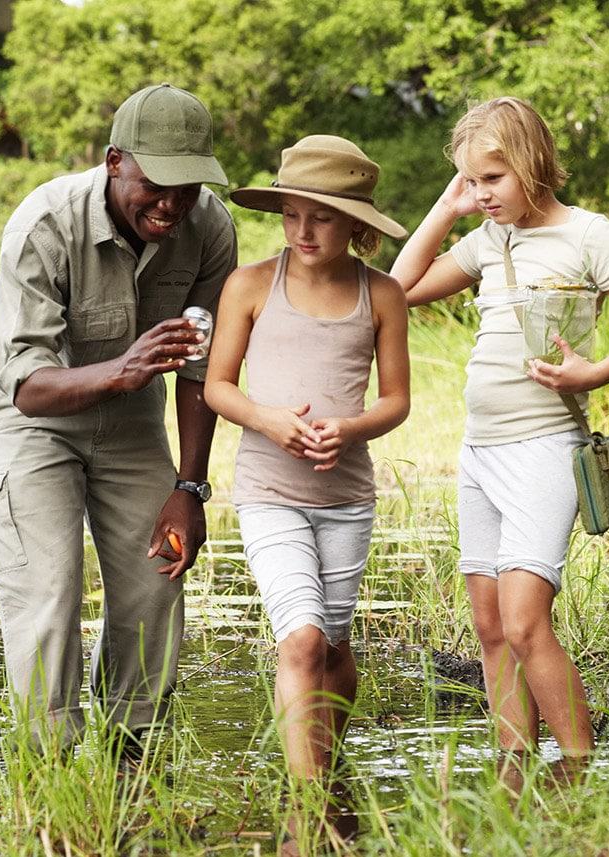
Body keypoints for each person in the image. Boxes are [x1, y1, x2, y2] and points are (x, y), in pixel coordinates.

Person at [390, 97, 609, 780]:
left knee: (523, 621)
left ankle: (576, 772)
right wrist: (446, 207)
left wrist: (593, 370)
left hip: (546, 447)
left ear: (531, 163)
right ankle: (514, 770)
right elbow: (397, 289)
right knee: (490, 628)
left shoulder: (589, 235)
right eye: (469, 180)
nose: (480, 193)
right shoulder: (489, 238)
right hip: (478, 453)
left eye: (492, 178)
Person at [0, 83, 237, 753]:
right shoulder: (45, 224)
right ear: (115, 160)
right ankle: (48, 759)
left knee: (158, 576)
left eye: (188, 186)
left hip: (132, 416)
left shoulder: (209, 227)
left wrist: (189, 488)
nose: (172, 204)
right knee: (50, 591)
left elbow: (201, 372)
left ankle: (133, 750)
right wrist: (121, 368)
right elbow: (29, 386)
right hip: (33, 420)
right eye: (156, 183)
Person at [204, 135, 411, 784]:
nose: (303, 230)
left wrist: (348, 428)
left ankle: (328, 758)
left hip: (346, 496)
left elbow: (398, 401)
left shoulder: (380, 295)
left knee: (334, 643)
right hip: (268, 491)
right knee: (301, 639)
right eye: (292, 214)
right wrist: (268, 419)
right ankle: (308, 807)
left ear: (355, 221)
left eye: (320, 216)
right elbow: (216, 385)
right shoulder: (248, 286)